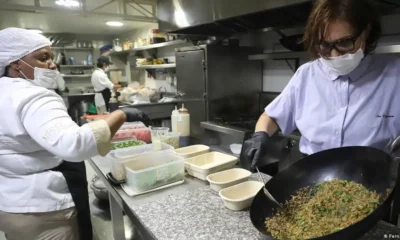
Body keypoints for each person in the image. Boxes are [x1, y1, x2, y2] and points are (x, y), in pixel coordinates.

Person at [0, 27, 149, 240]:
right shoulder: (33, 96)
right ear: (15, 63)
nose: (52, 64)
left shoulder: (4, 90)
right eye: (43, 58)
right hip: (44, 208)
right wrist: (121, 115)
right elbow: (74, 145)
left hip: (10, 204)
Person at [244, 0, 400, 170]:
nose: (334, 55)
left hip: (373, 180)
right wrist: (260, 136)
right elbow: (272, 116)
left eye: (345, 42)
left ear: (366, 32)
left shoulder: (394, 75)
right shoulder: (306, 75)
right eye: (324, 45)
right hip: (314, 176)